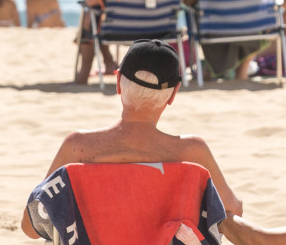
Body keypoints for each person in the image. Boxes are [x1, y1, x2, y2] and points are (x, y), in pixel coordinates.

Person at [25, 38, 244, 230]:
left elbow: (31, 224)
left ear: (118, 82)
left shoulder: (78, 147)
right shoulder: (193, 152)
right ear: (173, 94)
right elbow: (233, 209)